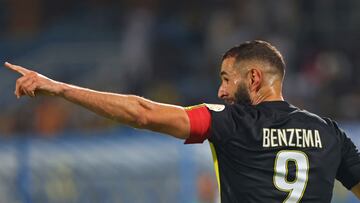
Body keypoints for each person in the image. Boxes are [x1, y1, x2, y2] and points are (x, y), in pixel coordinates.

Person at [5, 40, 360, 202]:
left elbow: (142, 113)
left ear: (253, 79)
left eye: (225, 78)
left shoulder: (231, 122)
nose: (220, 91)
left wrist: (60, 89)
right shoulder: (329, 132)